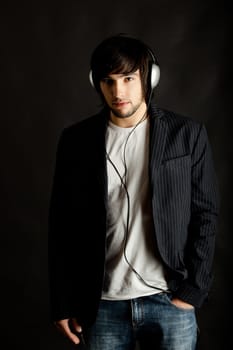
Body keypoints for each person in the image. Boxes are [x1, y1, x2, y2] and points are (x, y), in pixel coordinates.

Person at [48, 33, 219, 350]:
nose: (118, 91)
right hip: (102, 305)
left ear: (150, 78)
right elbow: (61, 226)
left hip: (169, 299)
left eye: (128, 78)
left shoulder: (187, 135)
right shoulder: (75, 141)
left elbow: (205, 214)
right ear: (96, 83)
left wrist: (193, 290)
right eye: (108, 81)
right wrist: (61, 303)